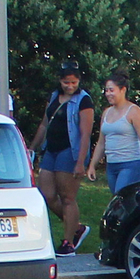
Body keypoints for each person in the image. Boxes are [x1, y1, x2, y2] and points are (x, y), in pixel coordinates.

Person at [30, 63, 90, 253]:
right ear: (60, 81)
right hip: (51, 149)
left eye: (73, 82)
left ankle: (68, 242)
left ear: (79, 81)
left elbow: (85, 134)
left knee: (67, 197)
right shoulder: (55, 97)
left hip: (70, 151)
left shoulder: (84, 100)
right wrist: (32, 148)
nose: (70, 86)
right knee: (46, 194)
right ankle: (76, 227)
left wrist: (80, 162)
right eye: (66, 82)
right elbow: (44, 124)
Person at [88, 73, 140, 197]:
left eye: (111, 90)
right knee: (118, 200)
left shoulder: (134, 112)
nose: (108, 93)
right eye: (106, 90)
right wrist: (92, 165)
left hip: (131, 163)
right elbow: (101, 143)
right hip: (112, 165)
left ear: (123, 90)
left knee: (121, 198)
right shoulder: (106, 113)